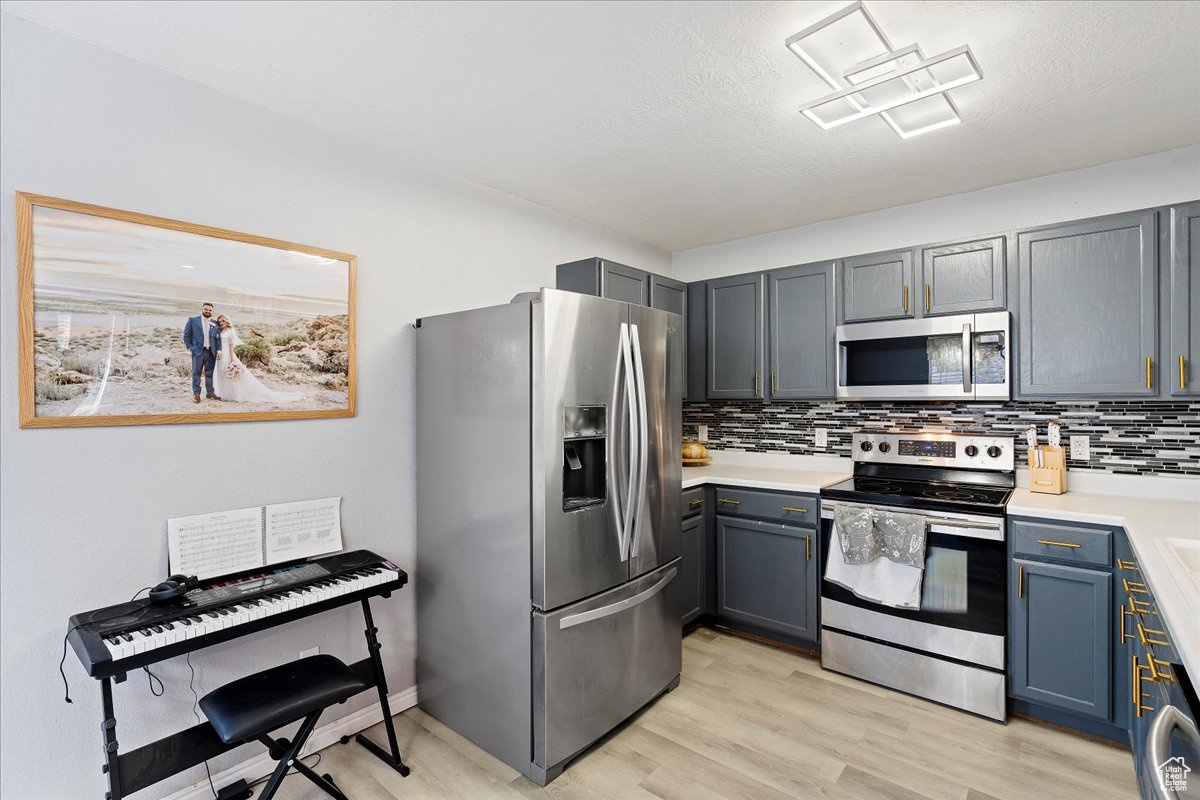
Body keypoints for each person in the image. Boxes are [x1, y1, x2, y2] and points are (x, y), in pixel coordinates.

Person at [212, 315, 301, 404]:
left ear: (227, 321)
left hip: (228, 355)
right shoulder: (219, 331)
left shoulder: (230, 332)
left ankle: (235, 395)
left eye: (223, 321)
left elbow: (231, 348)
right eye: (219, 322)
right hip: (220, 356)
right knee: (222, 375)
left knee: (232, 375)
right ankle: (225, 395)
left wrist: (232, 360)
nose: (221, 323)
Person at [182, 302, 222, 403]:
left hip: (211, 352)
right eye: (206, 309)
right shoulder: (193, 320)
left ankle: (210, 393)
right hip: (198, 352)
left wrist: (219, 350)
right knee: (196, 373)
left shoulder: (215, 323)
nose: (208, 311)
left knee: (209, 373)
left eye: (210, 310)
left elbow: (218, 339)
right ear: (202, 309)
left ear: (212, 311)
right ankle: (196, 394)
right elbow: (186, 336)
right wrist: (191, 348)